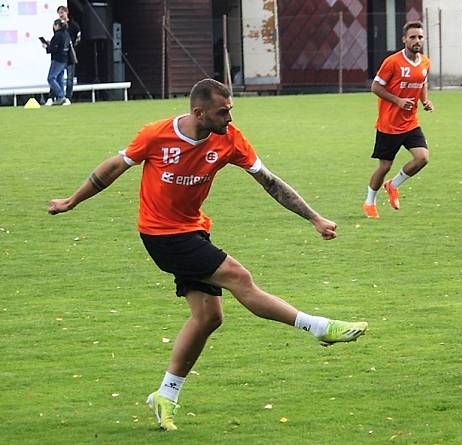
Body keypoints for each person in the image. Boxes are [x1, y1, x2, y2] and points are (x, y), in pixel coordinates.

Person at [47, 79, 368, 431]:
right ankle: (318, 327)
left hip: (194, 229)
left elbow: (270, 182)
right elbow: (114, 167)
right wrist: (71, 201)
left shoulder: (230, 139)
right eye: (223, 111)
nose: (230, 117)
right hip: (161, 235)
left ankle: (165, 396)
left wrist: (314, 217)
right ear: (199, 113)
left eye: (230, 109)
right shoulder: (157, 135)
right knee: (239, 278)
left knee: (209, 317)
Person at [362, 21, 433, 219]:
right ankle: (369, 202)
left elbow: (422, 81)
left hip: (410, 123)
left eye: (419, 37)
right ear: (404, 40)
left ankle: (393, 185)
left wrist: (425, 101)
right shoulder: (392, 62)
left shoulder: (425, 62)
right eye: (412, 37)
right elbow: (375, 87)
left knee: (423, 158)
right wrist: (398, 101)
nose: (417, 40)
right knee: (384, 167)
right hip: (388, 125)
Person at [41, 18, 69, 106]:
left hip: (57, 59)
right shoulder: (66, 34)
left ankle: (61, 96)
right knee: (60, 78)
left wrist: (47, 46)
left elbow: (53, 49)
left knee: (51, 78)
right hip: (64, 59)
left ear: (57, 26)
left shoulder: (57, 35)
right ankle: (61, 97)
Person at [58, 5, 80, 105]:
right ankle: (59, 96)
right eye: (59, 13)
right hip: (61, 55)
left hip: (70, 54)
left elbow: (78, 37)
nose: (60, 15)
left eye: (62, 13)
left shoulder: (74, 25)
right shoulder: (58, 26)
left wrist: (72, 47)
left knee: (70, 77)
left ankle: (68, 97)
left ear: (66, 12)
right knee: (58, 76)